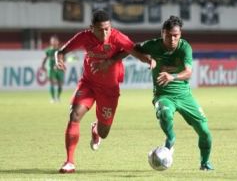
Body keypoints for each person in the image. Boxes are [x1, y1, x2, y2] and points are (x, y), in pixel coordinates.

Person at [55, 10, 155, 173]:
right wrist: (58, 60)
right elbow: (61, 51)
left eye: (107, 28)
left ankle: (95, 130)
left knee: (104, 132)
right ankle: (69, 162)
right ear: (91, 28)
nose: (105, 32)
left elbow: (134, 51)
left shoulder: (117, 37)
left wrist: (149, 60)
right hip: (88, 84)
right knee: (74, 115)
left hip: (109, 90)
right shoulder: (84, 36)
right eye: (100, 29)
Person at [135, 16, 214, 170]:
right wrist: (147, 59)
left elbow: (189, 72)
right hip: (163, 95)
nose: (172, 39)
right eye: (169, 35)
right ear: (162, 33)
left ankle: (205, 163)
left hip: (185, 96)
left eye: (176, 35)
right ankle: (171, 139)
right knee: (164, 113)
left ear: (180, 34)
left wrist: (173, 77)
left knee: (205, 132)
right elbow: (133, 48)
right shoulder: (153, 45)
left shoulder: (185, 48)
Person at [41, 35, 64, 103]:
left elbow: (63, 59)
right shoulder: (48, 50)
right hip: (51, 69)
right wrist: (42, 65)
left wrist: (62, 65)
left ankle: (58, 97)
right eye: (52, 40)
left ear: (58, 42)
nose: (54, 42)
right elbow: (45, 58)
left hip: (59, 69)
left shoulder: (61, 50)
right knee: (51, 83)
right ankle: (53, 98)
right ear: (51, 42)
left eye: (55, 40)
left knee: (60, 84)